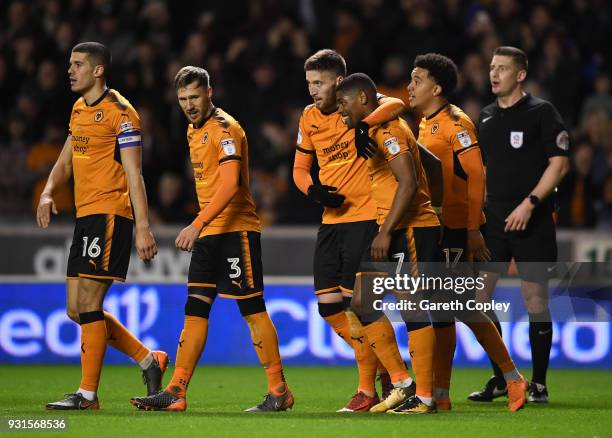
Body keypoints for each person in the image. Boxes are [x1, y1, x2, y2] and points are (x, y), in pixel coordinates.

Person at [130, 66, 293, 412]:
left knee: (251, 308)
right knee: (196, 308)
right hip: (209, 235)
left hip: (236, 230)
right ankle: (176, 390)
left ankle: (279, 390)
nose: (189, 105)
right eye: (183, 99)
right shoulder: (193, 130)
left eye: (194, 97)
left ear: (209, 92)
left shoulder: (226, 129)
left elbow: (232, 185)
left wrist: (196, 223)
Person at [38, 42, 166, 410]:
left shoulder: (121, 113)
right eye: (69, 64)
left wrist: (143, 226)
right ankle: (148, 358)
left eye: (77, 64)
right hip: (85, 216)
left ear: (98, 70)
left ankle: (87, 395)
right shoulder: (79, 109)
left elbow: (134, 172)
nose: (70, 70)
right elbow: (65, 161)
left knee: (90, 303)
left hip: (111, 214)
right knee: (76, 310)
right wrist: (48, 191)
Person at [407, 53, 527, 412]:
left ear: (437, 87)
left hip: (457, 230)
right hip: (437, 229)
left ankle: (512, 377)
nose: (410, 86)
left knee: (461, 307)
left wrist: (474, 228)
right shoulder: (425, 123)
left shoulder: (456, 123)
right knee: (441, 311)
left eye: (417, 79)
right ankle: (441, 396)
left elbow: (477, 175)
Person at [293, 49, 406, 412]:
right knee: (328, 307)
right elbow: (299, 169)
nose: (312, 90)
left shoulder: (358, 107)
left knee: (357, 307)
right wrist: (311, 189)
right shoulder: (308, 118)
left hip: (365, 218)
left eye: (319, 82)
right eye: (309, 83)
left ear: (338, 82)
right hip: (331, 222)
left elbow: (397, 104)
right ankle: (386, 367)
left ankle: (369, 389)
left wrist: (362, 124)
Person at [337, 72, 442, 414]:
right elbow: (434, 166)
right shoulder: (377, 125)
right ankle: (402, 383)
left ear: (363, 100)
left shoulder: (389, 129)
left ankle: (424, 398)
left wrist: (387, 231)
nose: (340, 111)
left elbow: (409, 183)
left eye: (343, 103)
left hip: (408, 227)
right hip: (394, 225)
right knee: (363, 302)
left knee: (411, 306)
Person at [469, 46, 570, 403]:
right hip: (493, 219)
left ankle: (539, 384)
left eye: (503, 69)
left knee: (534, 299)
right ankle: (504, 378)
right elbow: (481, 170)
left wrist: (530, 204)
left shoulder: (542, 112)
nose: (493, 74)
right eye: (492, 67)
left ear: (521, 74)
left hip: (533, 218)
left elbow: (559, 164)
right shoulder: (485, 117)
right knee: (478, 299)